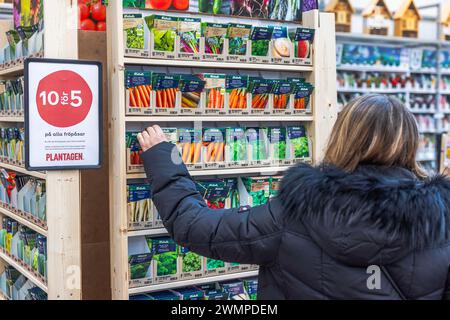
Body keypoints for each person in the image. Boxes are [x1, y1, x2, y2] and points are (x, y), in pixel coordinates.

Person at [137, 94, 450, 300]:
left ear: (342, 136)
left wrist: (165, 161)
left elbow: (195, 226)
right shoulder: (442, 222)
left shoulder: (295, 212)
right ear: (410, 144)